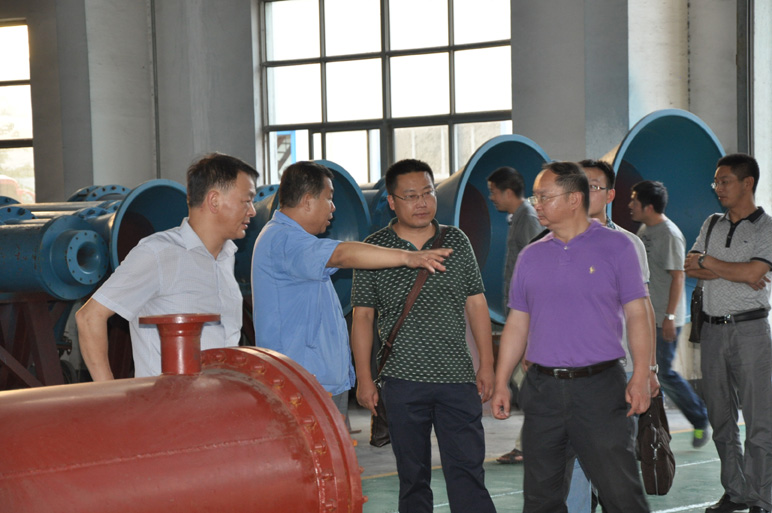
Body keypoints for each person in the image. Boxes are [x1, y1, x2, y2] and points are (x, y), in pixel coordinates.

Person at [492, 161, 653, 513]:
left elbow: (638, 314)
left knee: (620, 494)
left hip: (599, 388)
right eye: (535, 197)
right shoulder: (531, 255)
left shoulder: (618, 247)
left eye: (544, 196)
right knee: (541, 498)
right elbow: (518, 322)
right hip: (543, 390)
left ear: (574, 199)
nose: (536, 204)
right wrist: (501, 381)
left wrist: (642, 374)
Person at [251, 160, 452, 420]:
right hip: (302, 385)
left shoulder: (292, 240)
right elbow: (343, 255)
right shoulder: (284, 240)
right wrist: (408, 257)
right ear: (308, 201)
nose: (333, 207)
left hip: (314, 381)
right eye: (329, 198)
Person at [350, 158, 496, 513]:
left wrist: (487, 365)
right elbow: (363, 317)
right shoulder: (374, 249)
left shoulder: (456, 241)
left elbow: (476, 304)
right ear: (391, 201)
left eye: (428, 193)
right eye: (411, 195)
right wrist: (364, 379)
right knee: (412, 478)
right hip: (402, 382)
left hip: (457, 379)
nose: (422, 202)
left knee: (468, 473)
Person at [76, 152, 260, 380]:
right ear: (214, 200)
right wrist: (108, 393)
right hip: (168, 400)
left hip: (221, 396)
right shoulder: (158, 253)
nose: (252, 210)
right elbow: (89, 318)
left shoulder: (226, 256)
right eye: (246, 200)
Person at [684, 153, 772, 513]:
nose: (717, 187)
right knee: (720, 418)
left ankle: (762, 499)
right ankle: (736, 492)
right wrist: (735, 269)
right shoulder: (711, 224)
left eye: (724, 181)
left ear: (747, 183)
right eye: (716, 182)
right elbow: (691, 266)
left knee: (759, 421)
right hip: (712, 331)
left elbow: (755, 273)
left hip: (751, 331)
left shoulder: (766, 227)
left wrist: (711, 263)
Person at [630, 180, 711, 448]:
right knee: (643, 373)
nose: (630, 205)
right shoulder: (645, 229)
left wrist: (670, 317)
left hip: (664, 318)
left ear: (648, 207)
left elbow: (678, 277)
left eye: (634, 201)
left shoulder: (670, 234)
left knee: (663, 373)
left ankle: (699, 417)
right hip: (645, 316)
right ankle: (646, 434)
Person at [487, 166, 542, 465]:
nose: (491, 198)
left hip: (528, 322)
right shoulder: (518, 218)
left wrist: (531, 332)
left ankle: (532, 444)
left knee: (531, 385)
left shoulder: (528, 219)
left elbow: (538, 273)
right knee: (529, 385)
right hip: (520, 319)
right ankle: (529, 444)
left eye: (493, 192)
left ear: (508, 192)